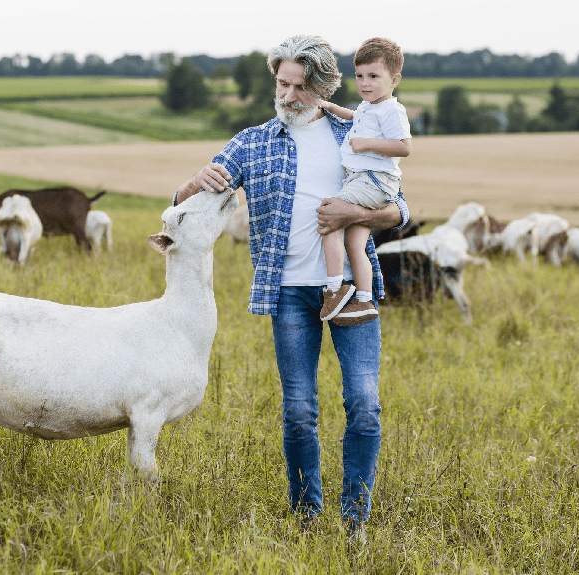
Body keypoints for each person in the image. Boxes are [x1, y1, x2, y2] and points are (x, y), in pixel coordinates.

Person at [174, 35, 410, 539]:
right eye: (283, 84)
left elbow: (398, 210)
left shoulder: (355, 129)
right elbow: (181, 206)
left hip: (350, 289)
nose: (288, 96)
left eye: (301, 88)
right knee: (300, 409)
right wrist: (193, 182)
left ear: (324, 88)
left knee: (364, 403)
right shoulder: (253, 142)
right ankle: (306, 516)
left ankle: (355, 521)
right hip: (287, 293)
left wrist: (355, 213)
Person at [316, 37, 412, 327]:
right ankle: (364, 300)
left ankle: (334, 289)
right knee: (355, 243)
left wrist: (367, 144)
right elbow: (353, 117)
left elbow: (404, 146)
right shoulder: (369, 107)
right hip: (367, 181)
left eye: (373, 76)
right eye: (359, 76)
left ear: (394, 80)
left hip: (372, 180)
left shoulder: (392, 110)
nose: (364, 83)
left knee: (329, 218)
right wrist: (330, 107)